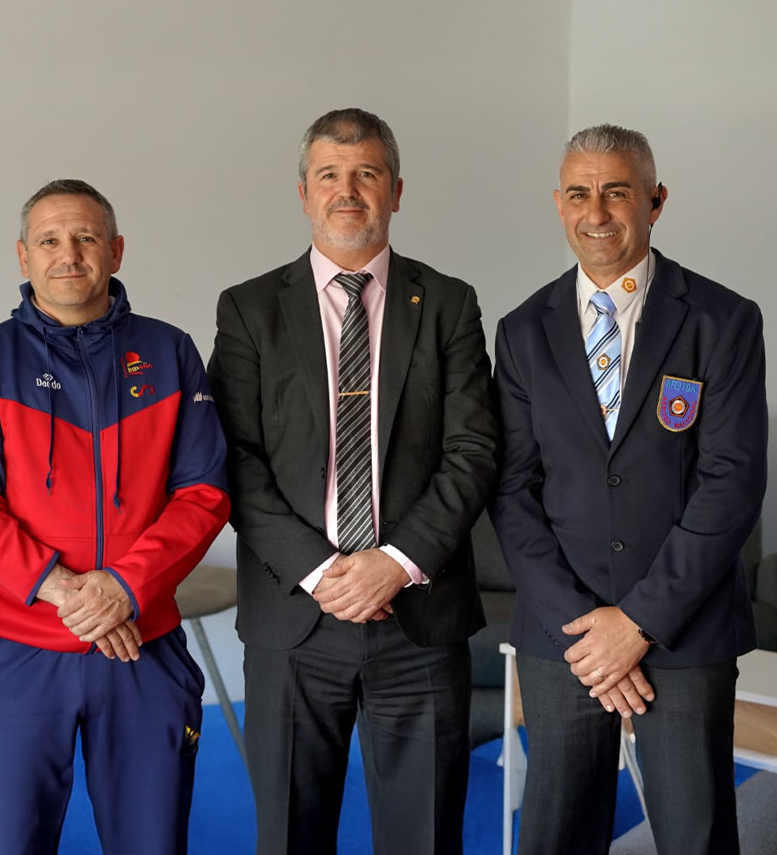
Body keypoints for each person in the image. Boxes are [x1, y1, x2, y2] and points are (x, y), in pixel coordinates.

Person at [208, 108, 497, 854]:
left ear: (396, 191)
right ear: (303, 192)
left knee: (423, 836)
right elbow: (235, 457)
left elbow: (473, 450)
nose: (348, 191)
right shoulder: (249, 309)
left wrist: (394, 562)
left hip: (419, 615)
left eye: (366, 174)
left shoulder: (449, 303)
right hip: (294, 618)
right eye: (329, 175)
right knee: (289, 835)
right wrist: (321, 571)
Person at [490, 123, 767, 855]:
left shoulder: (724, 320)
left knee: (694, 833)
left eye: (617, 192)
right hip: (566, 635)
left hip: (684, 627)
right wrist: (587, 630)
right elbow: (511, 490)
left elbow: (732, 482)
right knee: (556, 830)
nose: (597, 212)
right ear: (558, 204)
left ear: (656, 201)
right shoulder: (522, 331)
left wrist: (638, 622)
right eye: (579, 194)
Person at [0, 179, 229, 854]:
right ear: (23, 255)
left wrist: (124, 587)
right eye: (49, 240)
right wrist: (69, 592)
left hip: (141, 644)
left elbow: (204, 493)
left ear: (115, 251)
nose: (68, 254)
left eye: (86, 238)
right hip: (16, 649)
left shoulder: (169, 352)